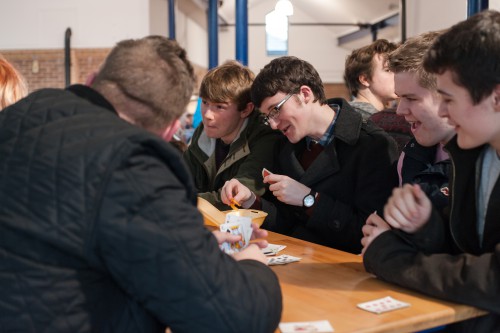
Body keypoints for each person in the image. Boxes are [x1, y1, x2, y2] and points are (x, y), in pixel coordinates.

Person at [0, 36, 282, 333]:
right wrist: (252, 265)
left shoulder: (18, 117)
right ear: (172, 128)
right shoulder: (133, 162)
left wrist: (188, 246)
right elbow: (235, 317)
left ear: (91, 79)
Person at [361, 10, 500, 331]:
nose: (442, 110)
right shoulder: (472, 154)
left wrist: (391, 257)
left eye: (448, 98)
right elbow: (467, 250)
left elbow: (491, 280)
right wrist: (425, 226)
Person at [221, 56, 399, 254]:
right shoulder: (286, 147)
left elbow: (369, 232)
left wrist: (310, 199)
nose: (273, 124)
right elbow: (286, 220)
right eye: (268, 117)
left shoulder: (372, 146)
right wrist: (251, 200)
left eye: (276, 110)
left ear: (305, 94)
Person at [183, 60, 282, 210]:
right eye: (205, 102)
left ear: (246, 110)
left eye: (219, 106)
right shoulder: (203, 131)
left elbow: (235, 198)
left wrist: (178, 200)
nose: (208, 115)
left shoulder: (265, 136)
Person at [388, 30, 455, 211]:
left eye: (411, 98)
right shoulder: (410, 156)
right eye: (399, 98)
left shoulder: (489, 163)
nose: (400, 110)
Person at [343, 39, 398, 119]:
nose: (397, 76)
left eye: (397, 70)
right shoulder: (358, 120)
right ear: (364, 79)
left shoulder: (348, 114)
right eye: (388, 70)